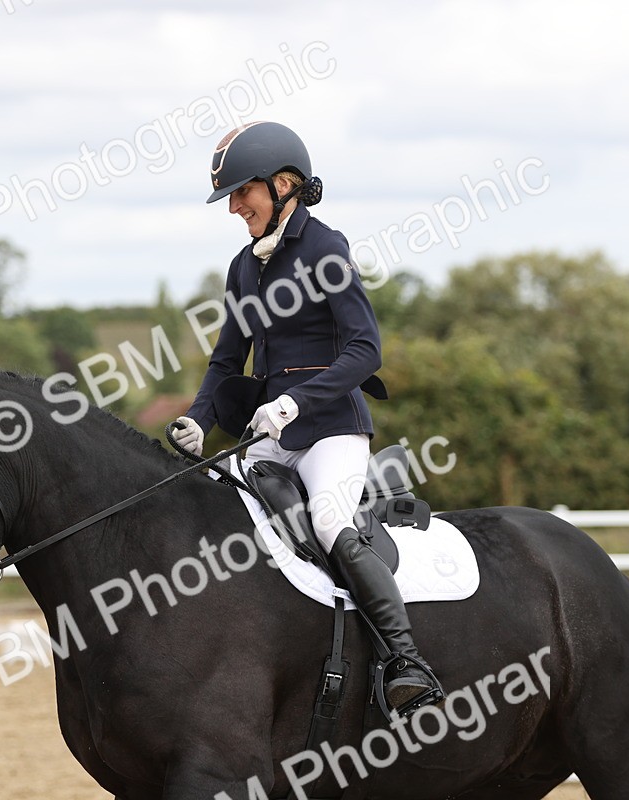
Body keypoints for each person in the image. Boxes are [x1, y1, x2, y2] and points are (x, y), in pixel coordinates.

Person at [173, 121, 439, 712]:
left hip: (331, 429)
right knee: (219, 508)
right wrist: (197, 418)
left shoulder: (325, 248)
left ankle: (405, 658)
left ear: (285, 184)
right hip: (271, 434)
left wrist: (298, 400)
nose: (235, 205)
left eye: (243, 191)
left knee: (325, 521)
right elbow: (225, 360)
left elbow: (365, 350)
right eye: (232, 195)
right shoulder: (245, 268)